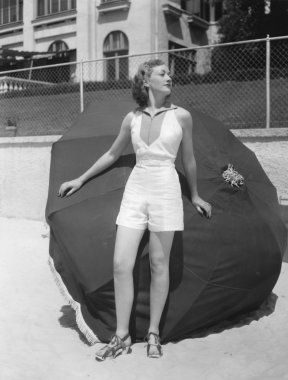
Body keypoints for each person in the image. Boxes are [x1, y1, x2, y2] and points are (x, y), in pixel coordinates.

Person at [58, 59, 212, 360]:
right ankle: (122, 335)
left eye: (169, 72)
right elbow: (113, 154)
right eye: (162, 73)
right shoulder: (132, 118)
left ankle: (153, 332)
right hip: (136, 190)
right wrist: (80, 178)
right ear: (146, 81)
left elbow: (189, 160)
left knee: (158, 264)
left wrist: (194, 195)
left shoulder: (182, 116)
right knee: (120, 264)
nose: (170, 76)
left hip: (166, 191)